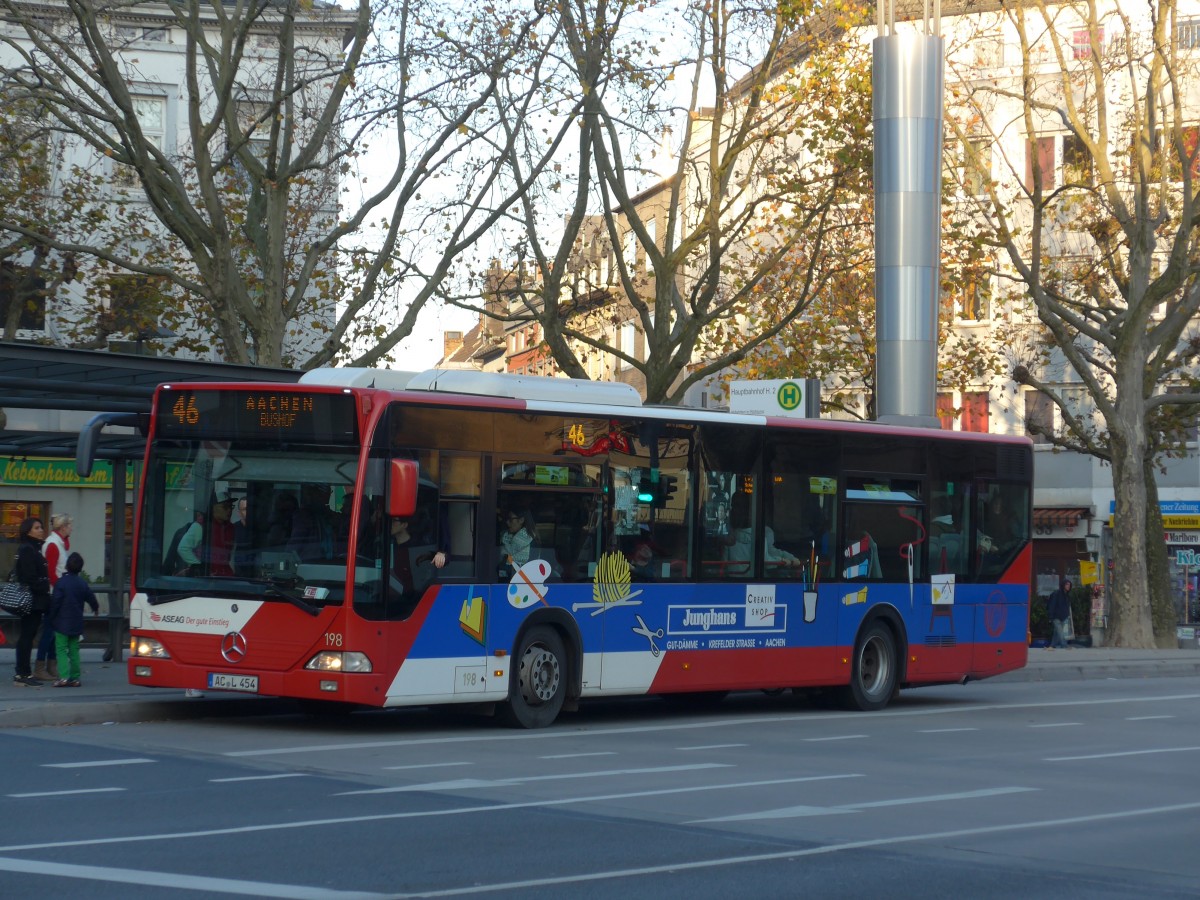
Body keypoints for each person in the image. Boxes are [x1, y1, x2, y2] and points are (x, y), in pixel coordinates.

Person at [47, 552, 99, 687]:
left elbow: (56, 602)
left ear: (66, 566)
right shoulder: (82, 583)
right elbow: (91, 598)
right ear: (81, 568)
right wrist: (95, 608)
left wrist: (51, 617)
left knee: (61, 649)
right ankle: (75, 677)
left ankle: (63, 676)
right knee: (74, 650)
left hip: (61, 622)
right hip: (76, 621)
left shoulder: (61, 583)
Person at [11, 517, 52, 686]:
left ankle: (24, 672)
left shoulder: (33, 548)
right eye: (37, 527)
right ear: (28, 531)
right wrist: (44, 586)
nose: (41, 530)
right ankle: (23, 673)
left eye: (41, 527)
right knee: (27, 635)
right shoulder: (28, 549)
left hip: (35, 599)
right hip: (32, 599)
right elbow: (29, 576)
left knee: (29, 634)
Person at [36, 512, 72, 680]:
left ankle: (48, 665)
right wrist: (62, 588)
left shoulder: (56, 543)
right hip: (54, 594)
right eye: (69, 525)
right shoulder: (53, 545)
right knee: (50, 631)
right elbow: (51, 572)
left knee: (53, 631)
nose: (71, 528)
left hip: (55, 592)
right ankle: (42, 665)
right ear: (63, 527)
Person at [207, 497, 235, 576]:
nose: (229, 510)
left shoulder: (231, 528)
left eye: (231, 507)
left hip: (226, 576)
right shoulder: (203, 526)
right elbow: (184, 549)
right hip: (209, 578)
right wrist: (202, 569)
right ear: (213, 508)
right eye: (225, 507)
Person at [1047, 578, 1073, 650]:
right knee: (1060, 631)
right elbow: (1052, 605)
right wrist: (1050, 616)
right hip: (1056, 616)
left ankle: (1052, 645)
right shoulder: (1056, 594)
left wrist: (1067, 615)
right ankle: (1064, 645)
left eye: (1069, 585)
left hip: (1063, 616)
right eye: (1067, 584)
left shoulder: (1067, 595)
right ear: (1063, 585)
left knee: (1057, 632)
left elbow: (1067, 606)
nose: (1068, 586)